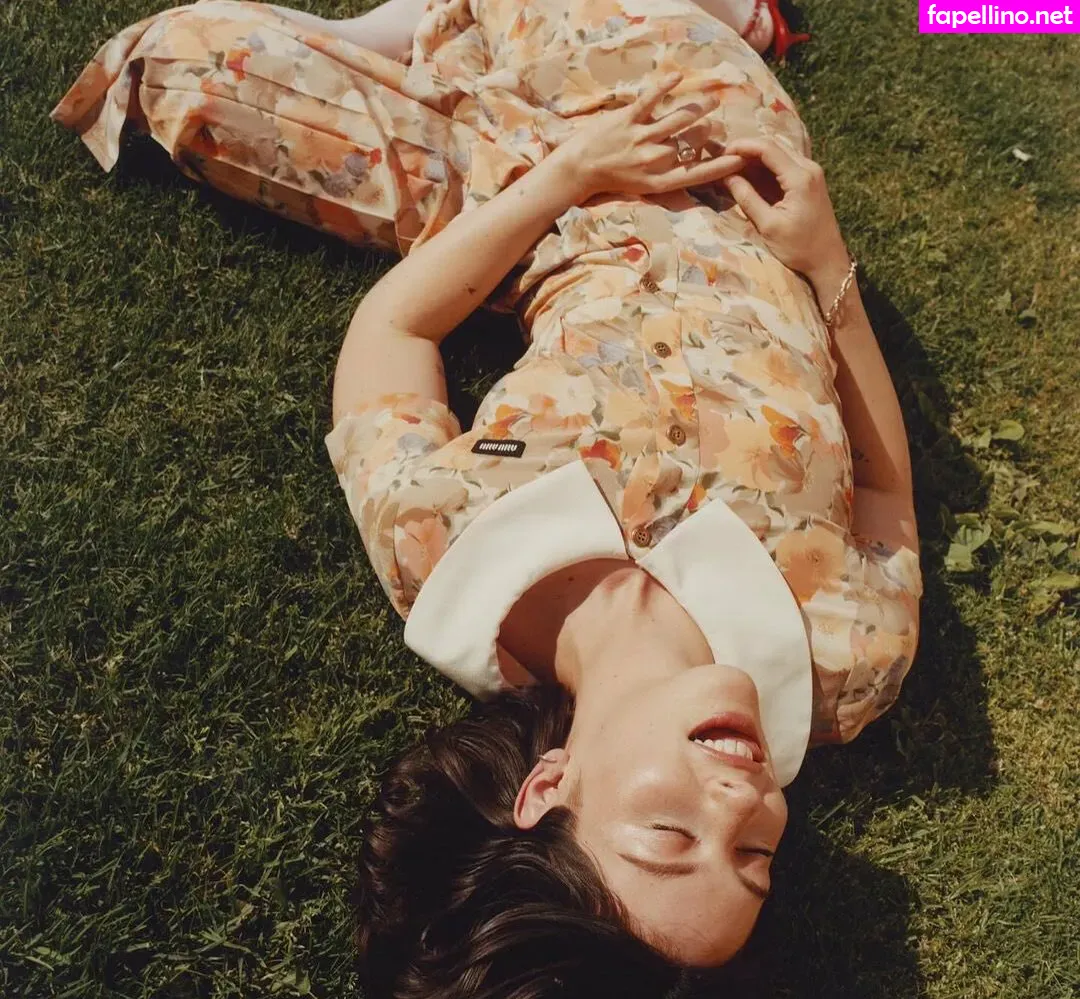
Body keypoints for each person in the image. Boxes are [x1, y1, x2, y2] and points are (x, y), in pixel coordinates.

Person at [52, 0, 920, 995]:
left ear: (550, 786)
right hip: (715, 149)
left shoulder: (445, 555)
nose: (743, 804)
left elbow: (396, 334)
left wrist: (571, 173)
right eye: (756, 858)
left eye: (671, 834)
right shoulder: (840, 663)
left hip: (523, 195)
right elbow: (886, 486)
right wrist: (825, 260)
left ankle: (442, 35)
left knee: (182, 66)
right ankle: (705, 17)